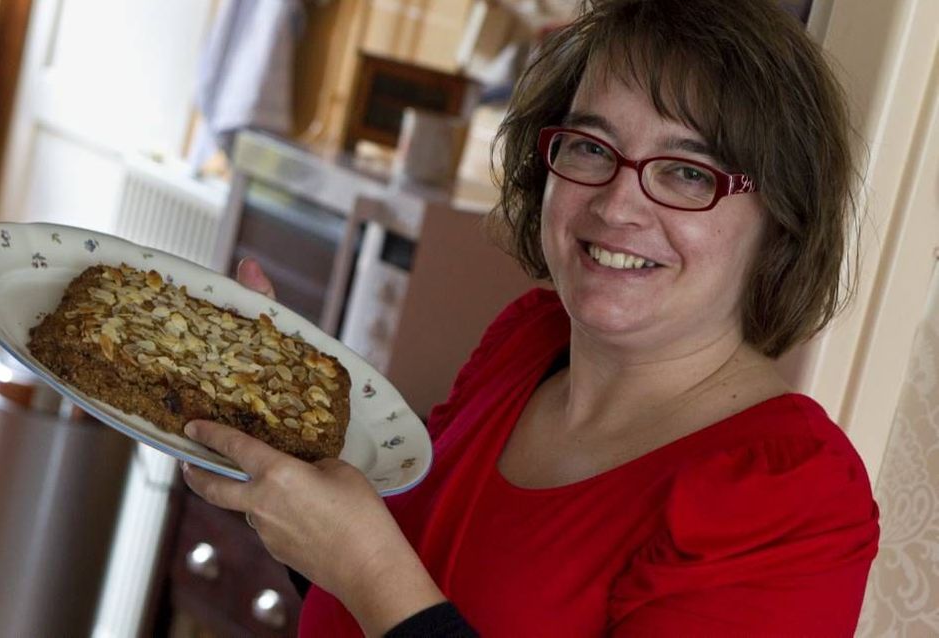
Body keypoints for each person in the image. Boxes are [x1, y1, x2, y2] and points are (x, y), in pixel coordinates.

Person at [180, 0, 880, 635]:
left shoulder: (796, 499)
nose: (616, 205)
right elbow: (394, 593)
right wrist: (282, 437)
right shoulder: (526, 342)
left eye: (688, 172)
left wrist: (368, 569)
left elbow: (386, 586)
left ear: (782, 221)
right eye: (590, 148)